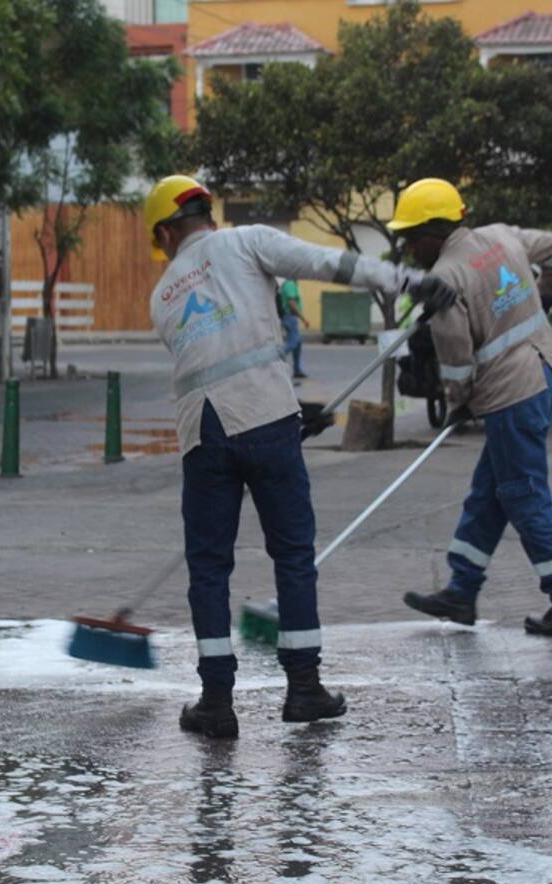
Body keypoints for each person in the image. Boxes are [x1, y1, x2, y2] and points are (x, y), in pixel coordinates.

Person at [144, 175, 457, 738]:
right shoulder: (246, 241)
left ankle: (216, 701)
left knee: (208, 568)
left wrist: (291, 412)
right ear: (205, 214)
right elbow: (326, 265)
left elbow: (215, 358)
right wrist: (410, 280)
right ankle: (304, 688)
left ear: (166, 231)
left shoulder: (162, 296)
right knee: (292, 554)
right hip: (266, 420)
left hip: (201, 436)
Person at [390, 178, 552, 638]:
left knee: (522, 494)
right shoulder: (501, 235)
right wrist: (548, 297)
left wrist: (459, 405)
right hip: (545, 374)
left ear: (433, 231)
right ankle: (462, 589)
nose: (408, 248)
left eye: (410, 237)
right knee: (491, 490)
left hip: (510, 394)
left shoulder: (443, 280)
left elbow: (457, 361)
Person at [277, 277, 309, 379]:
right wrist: (303, 318)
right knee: (293, 342)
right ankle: (275, 359)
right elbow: (291, 303)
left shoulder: (290, 284)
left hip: (290, 318)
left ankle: (297, 370)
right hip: (290, 317)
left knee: (298, 344)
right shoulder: (290, 284)